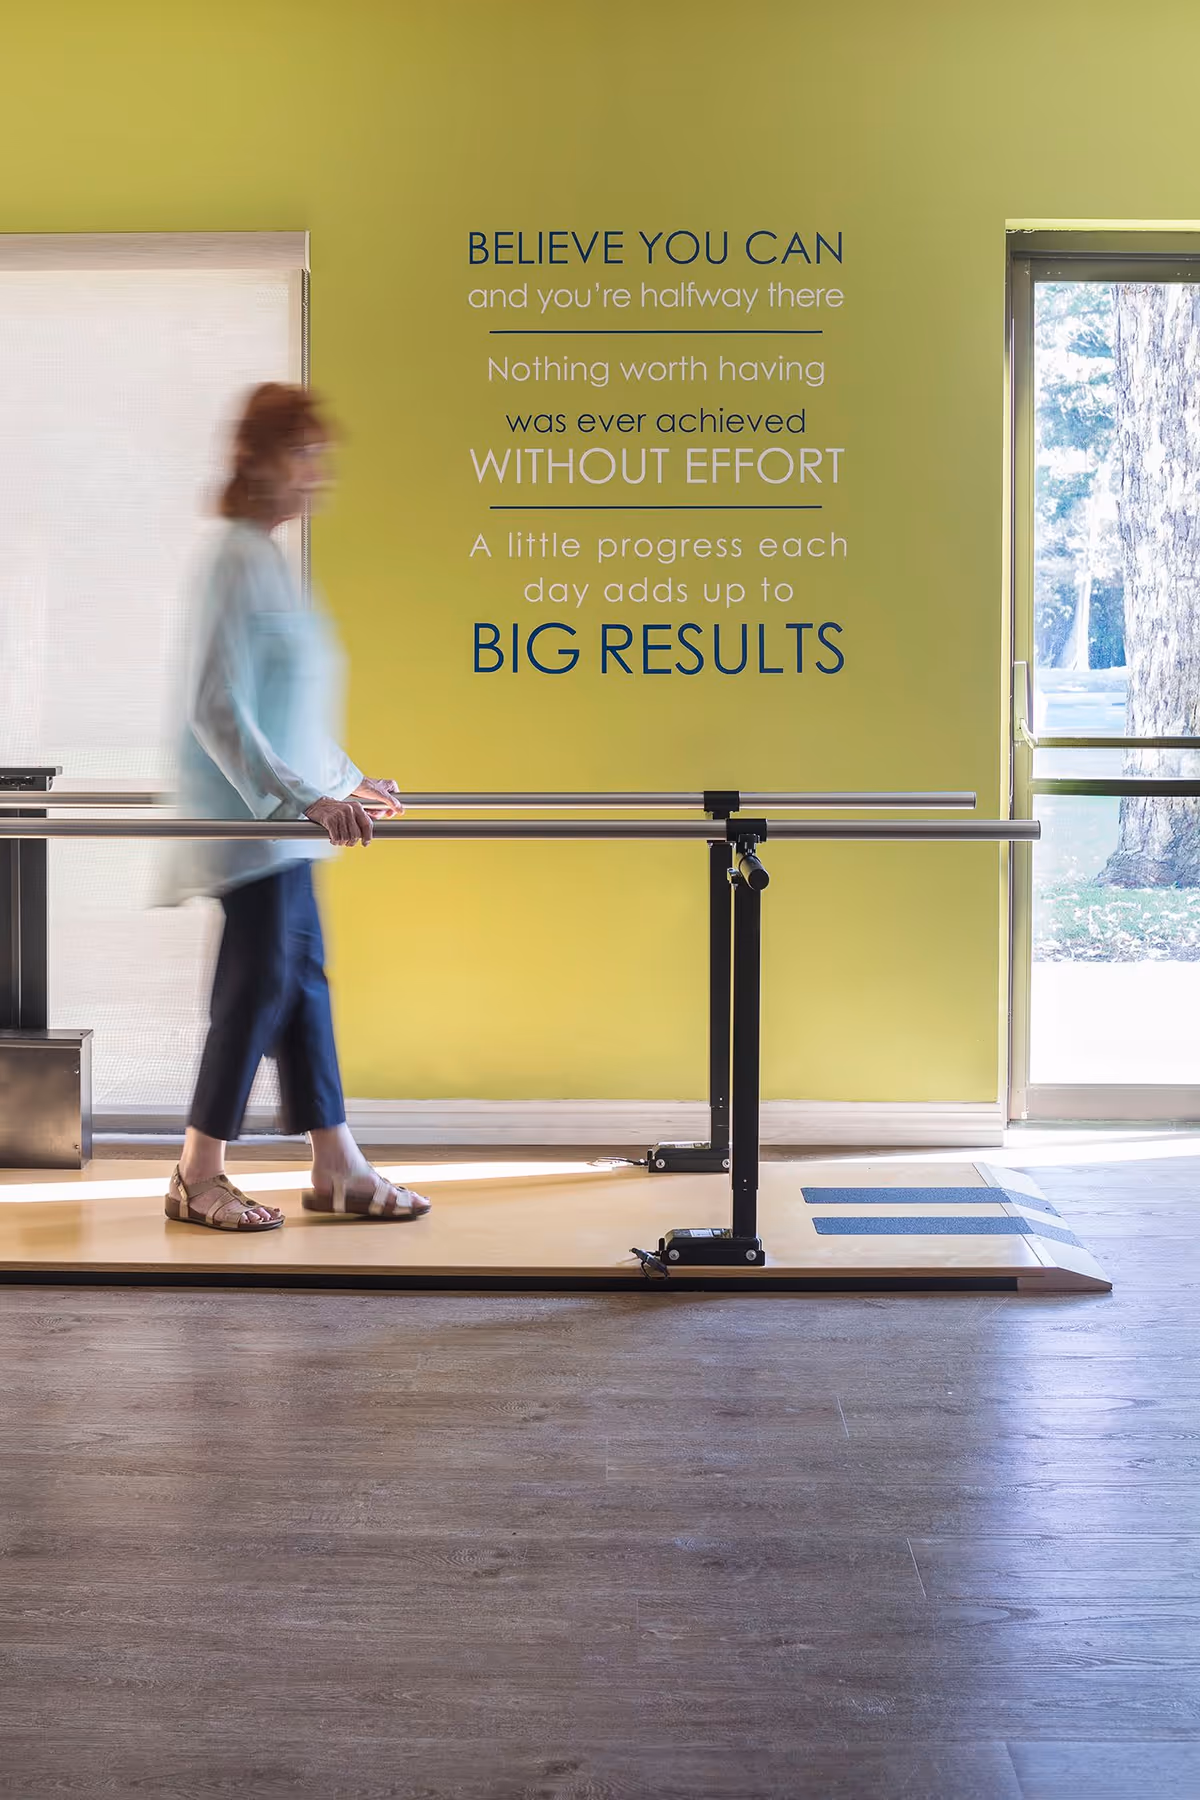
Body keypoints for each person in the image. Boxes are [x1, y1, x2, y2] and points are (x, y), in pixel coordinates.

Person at [160, 382, 429, 1231]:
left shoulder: (271, 563)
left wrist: (344, 782)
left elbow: (294, 715)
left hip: (288, 825)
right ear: (261, 460)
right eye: (304, 455)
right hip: (253, 829)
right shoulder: (234, 557)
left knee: (302, 984)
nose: (319, 475)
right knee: (260, 984)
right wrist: (303, 799)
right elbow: (214, 706)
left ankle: (336, 1164)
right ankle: (196, 1174)